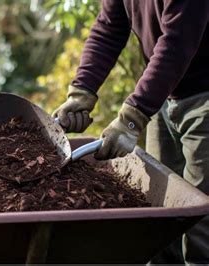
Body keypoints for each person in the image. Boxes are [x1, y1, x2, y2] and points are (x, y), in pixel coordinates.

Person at [52, 0, 209, 263]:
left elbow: (177, 42)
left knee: (201, 222)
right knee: (162, 212)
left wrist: (132, 118)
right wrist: (82, 91)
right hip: (164, 97)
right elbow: (109, 27)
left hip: (204, 97)